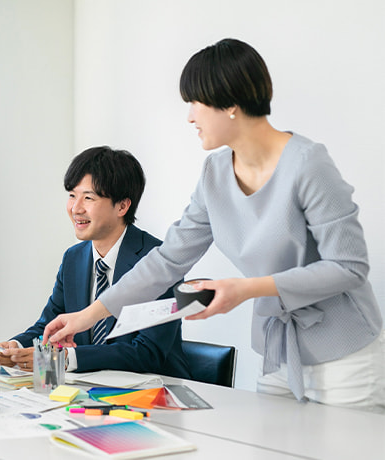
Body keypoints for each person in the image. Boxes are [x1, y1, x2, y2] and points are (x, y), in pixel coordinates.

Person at [44, 38, 385, 412]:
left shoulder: (307, 164)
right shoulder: (215, 174)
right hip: (278, 352)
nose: (190, 116)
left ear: (230, 104)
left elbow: (349, 267)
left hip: (344, 354)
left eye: (195, 103)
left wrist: (244, 289)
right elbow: (167, 260)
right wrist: (87, 316)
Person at [0, 146, 190, 379]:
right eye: (72, 196)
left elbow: (147, 353)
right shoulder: (73, 258)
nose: (76, 208)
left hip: (157, 396)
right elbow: (49, 324)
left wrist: (68, 359)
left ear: (122, 206)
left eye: (88, 197)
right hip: (88, 391)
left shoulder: (159, 263)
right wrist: (14, 346)